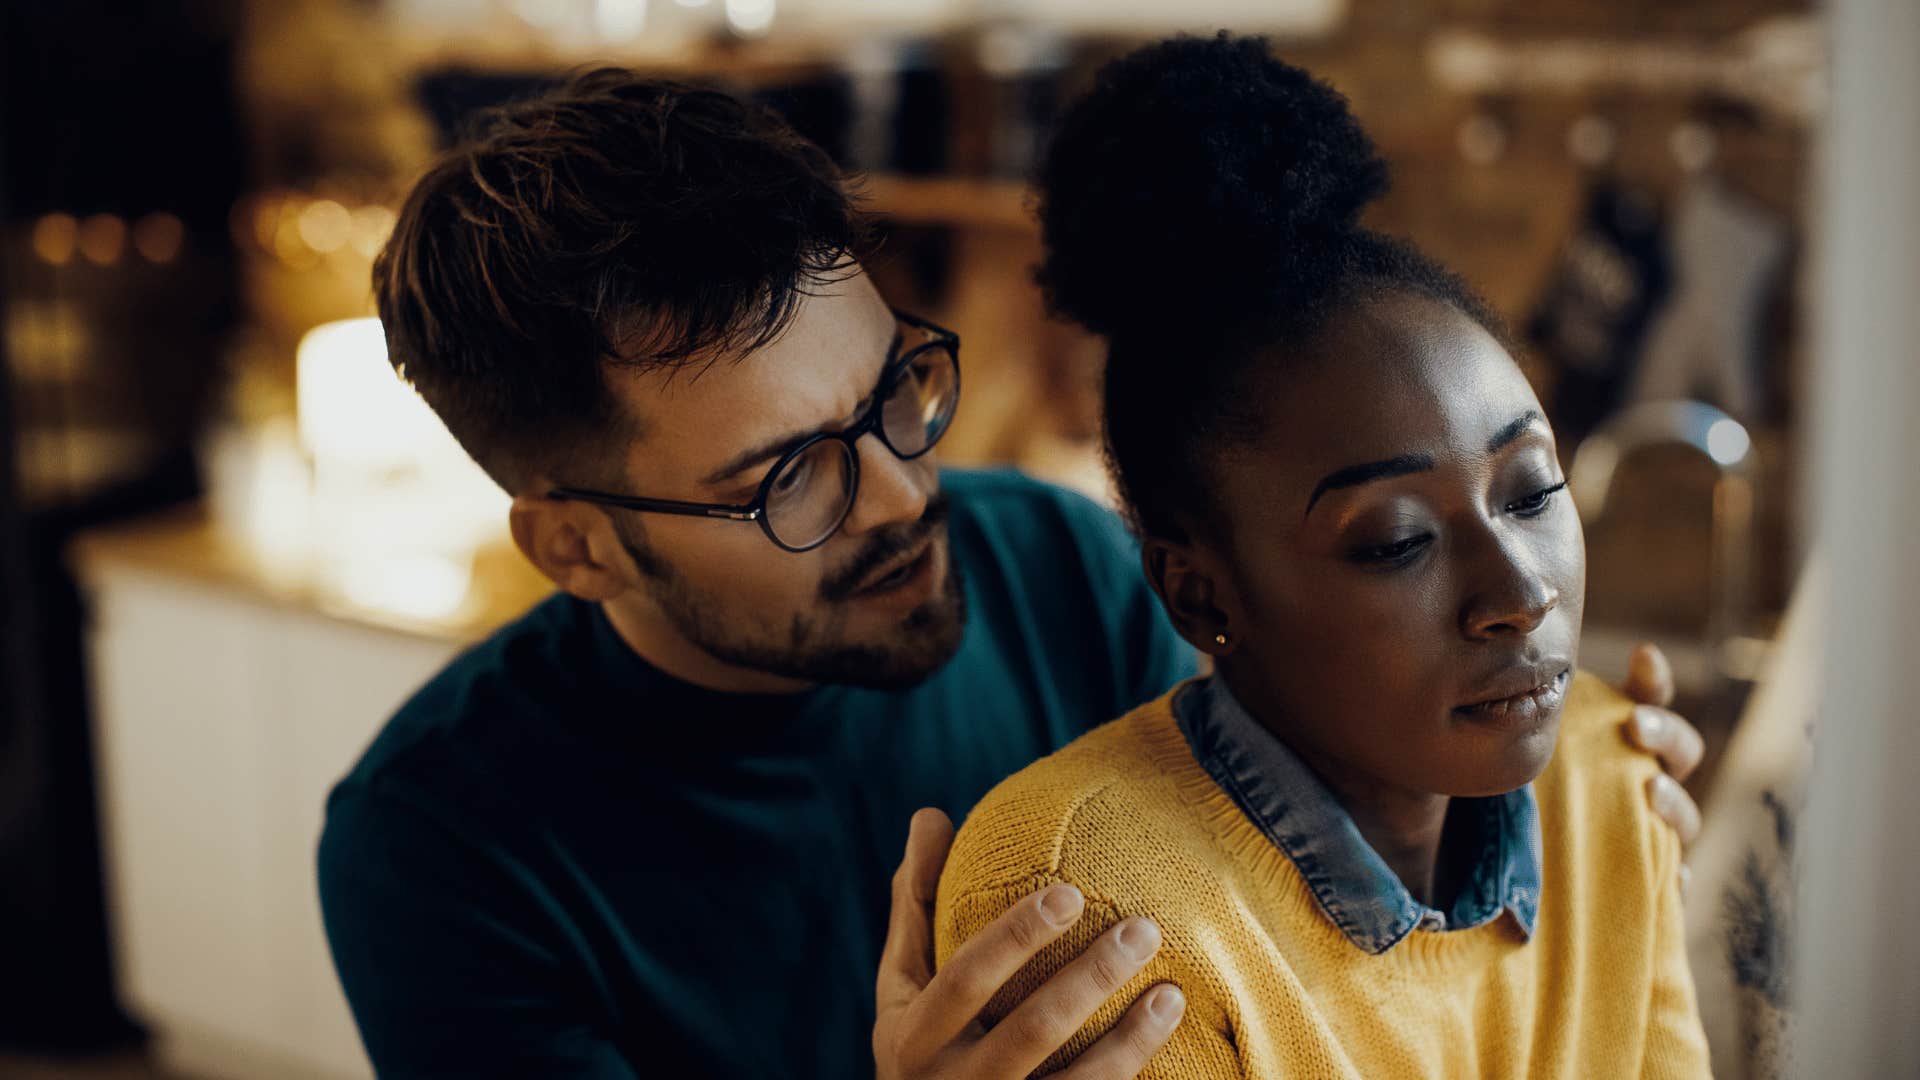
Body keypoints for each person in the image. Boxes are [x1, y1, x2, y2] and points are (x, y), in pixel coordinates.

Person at [316, 67, 1707, 1079]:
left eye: (897, 393)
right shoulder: (438, 847)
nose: (910, 492)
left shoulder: (1044, 557)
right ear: (576, 543)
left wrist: (1547, 805)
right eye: (788, 477)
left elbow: (1300, 877)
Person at [933, 35, 1711, 1078]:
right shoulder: (1091, 900)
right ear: (1199, 592)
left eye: (1531, 492)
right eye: (1397, 541)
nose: (1519, 594)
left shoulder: (1616, 781)